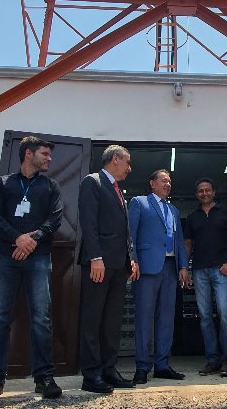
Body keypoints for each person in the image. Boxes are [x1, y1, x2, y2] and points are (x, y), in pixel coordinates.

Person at [0, 136, 63, 405]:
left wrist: (32, 240)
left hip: (39, 257)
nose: (49, 158)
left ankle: (44, 378)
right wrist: (18, 238)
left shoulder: (50, 186)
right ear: (28, 154)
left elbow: (55, 218)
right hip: (5, 258)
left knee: (41, 318)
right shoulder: (2, 183)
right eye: (44, 153)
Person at [78, 144, 139, 394]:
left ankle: (109, 370)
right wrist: (95, 257)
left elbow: (122, 230)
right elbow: (88, 223)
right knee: (93, 319)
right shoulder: (92, 182)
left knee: (111, 321)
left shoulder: (118, 190)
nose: (129, 168)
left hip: (117, 265)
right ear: (115, 159)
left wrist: (130, 258)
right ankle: (91, 375)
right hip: (99, 264)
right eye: (127, 162)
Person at [128, 169, 189, 385]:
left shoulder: (173, 209)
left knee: (166, 319)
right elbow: (131, 235)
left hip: (170, 268)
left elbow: (180, 240)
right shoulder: (139, 202)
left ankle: (162, 365)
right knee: (144, 317)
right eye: (163, 180)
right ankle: (142, 366)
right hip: (147, 268)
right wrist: (132, 260)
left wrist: (183, 266)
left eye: (170, 181)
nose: (167, 184)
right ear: (152, 183)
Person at [184, 177, 227, 377]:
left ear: (214, 192)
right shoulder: (192, 217)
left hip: (221, 269)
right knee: (205, 317)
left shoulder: (226, 213)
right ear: (197, 194)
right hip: (199, 271)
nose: (204, 193)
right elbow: (188, 244)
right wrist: (185, 268)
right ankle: (213, 360)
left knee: (225, 313)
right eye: (201, 191)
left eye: (208, 190)